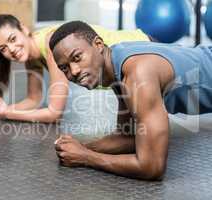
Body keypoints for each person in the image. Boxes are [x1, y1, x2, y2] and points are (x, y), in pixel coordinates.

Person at [49, 21, 212, 180]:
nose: (74, 71)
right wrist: (81, 147)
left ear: (98, 45)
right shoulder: (116, 62)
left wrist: (86, 157)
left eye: (77, 57)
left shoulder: (138, 74)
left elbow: (152, 166)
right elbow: (126, 137)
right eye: (64, 68)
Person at [0, 14, 152, 123]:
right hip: (127, 70)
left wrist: (6, 113)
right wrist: (3, 109)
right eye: (3, 48)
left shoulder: (49, 44)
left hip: (144, 50)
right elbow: (33, 100)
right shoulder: (32, 57)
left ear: (24, 29)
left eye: (12, 39)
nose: (11, 49)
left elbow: (54, 113)